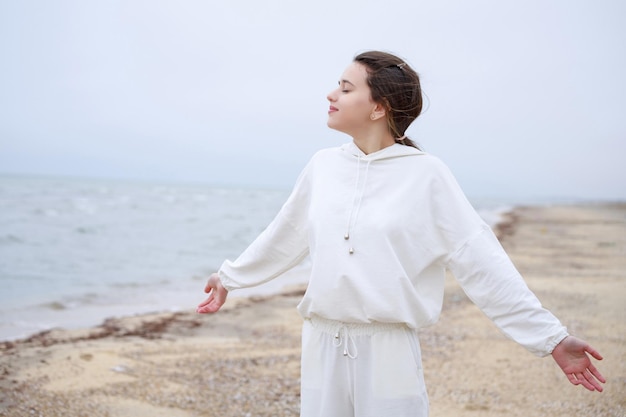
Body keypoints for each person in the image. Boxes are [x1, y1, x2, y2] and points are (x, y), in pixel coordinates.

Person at [197, 50, 605, 417]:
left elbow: (481, 261)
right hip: (321, 343)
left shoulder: (427, 175)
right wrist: (231, 276)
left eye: (345, 88)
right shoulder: (322, 166)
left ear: (379, 107)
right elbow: (284, 234)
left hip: (389, 350)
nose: (330, 95)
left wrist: (551, 338)